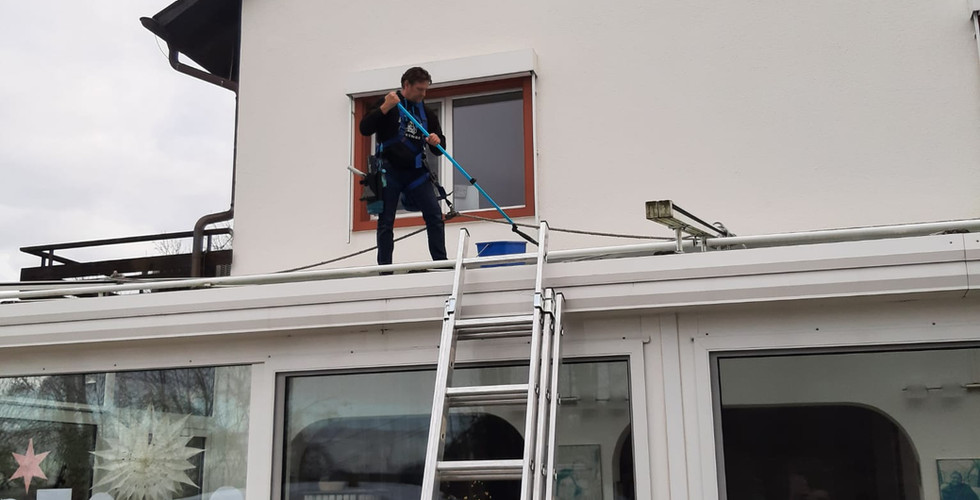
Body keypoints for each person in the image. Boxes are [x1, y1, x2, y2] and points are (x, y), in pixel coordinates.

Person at [358, 66, 448, 268]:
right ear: (406, 85)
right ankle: (385, 269)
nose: (423, 94)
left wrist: (437, 141)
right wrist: (384, 107)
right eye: (419, 89)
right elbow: (365, 129)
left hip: (416, 173)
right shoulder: (389, 103)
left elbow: (439, 151)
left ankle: (442, 264)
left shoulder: (427, 113)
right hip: (389, 171)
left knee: (434, 214)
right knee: (386, 221)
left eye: (425, 90)